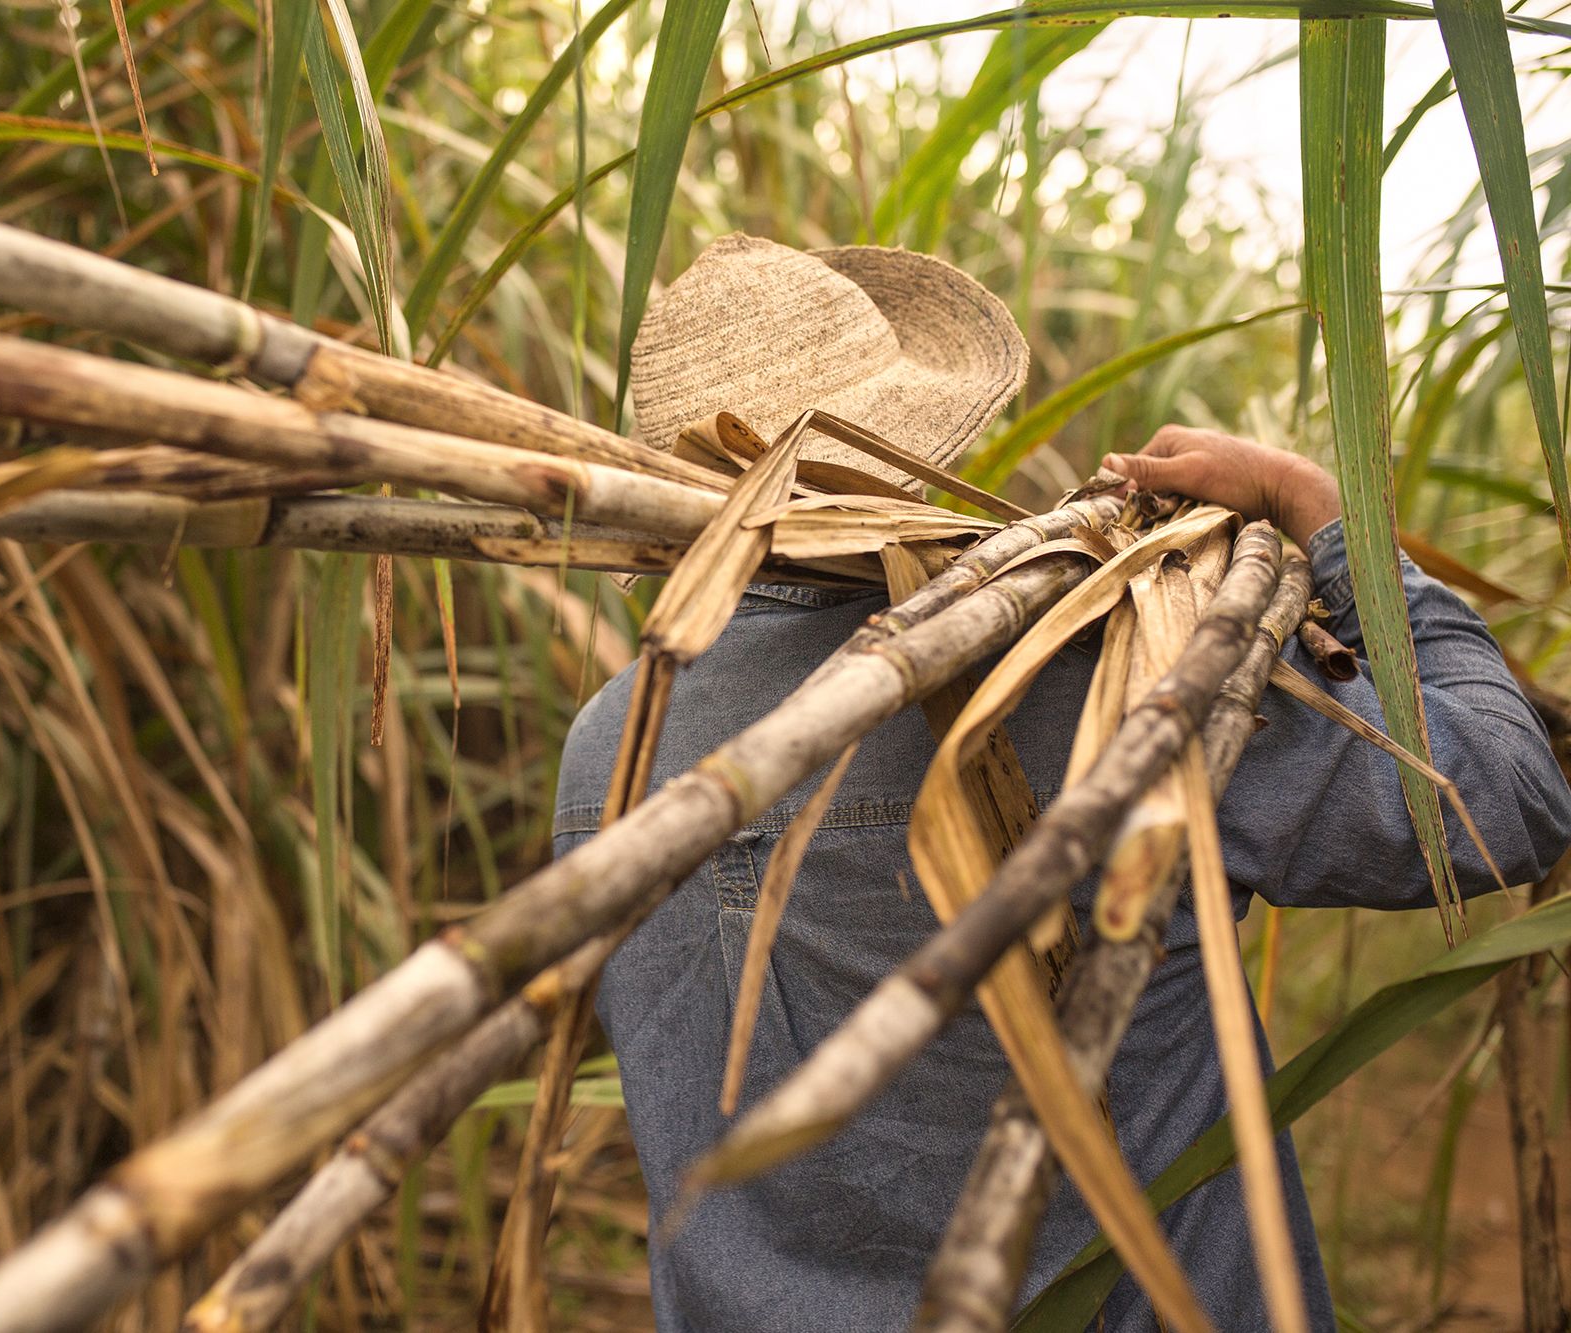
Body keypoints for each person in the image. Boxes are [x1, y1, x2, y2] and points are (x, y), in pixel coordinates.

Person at [551, 234, 1571, 1331]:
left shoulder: (605, 745)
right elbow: (1501, 800)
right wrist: (1323, 516)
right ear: (907, 442)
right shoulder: (1100, 673)